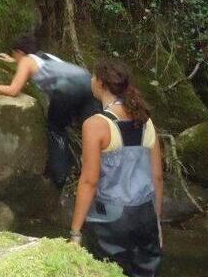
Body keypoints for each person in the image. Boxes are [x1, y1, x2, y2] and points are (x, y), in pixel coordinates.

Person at [0, 34, 99, 188]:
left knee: (56, 127)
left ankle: (60, 176)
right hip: (88, 84)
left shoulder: (27, 61)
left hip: (66, 90)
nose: (13, 57)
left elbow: (13, 90)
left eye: (13, 53)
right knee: (93, 131)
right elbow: (35, 65)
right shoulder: (44, 56)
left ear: (20, 52)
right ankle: (96, 174)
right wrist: (15, 61)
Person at [71, 60, 163, 277]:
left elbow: (89, 181)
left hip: (111, 220)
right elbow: (157, 177)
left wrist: (75, 232)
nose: (91, 81)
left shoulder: (95, 125)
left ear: (101, 83)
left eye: (93, 77)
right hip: (145, 215)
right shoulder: (146, 121)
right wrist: (156, 223)